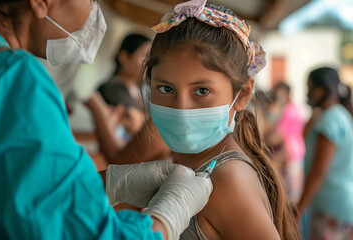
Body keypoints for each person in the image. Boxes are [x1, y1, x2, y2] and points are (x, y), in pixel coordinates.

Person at [0, 0, 213, 239]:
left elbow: (23, 188)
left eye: (202, 90)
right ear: (42, 2)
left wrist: (106, 182)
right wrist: (169, 217)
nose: (95, 11)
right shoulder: (16, 79)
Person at [107, 0, 300, 239]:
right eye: (166, 88)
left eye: (201, 91)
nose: (181, 108)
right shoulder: (189, 164)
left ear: (242, 95)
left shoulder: (228, 179)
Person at [296, 67, 353, 239]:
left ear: (322, 89)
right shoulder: (338, 114)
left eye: (310, 87)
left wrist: (298, 210)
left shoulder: (330, 120)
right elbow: (305, 134)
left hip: (331, 206)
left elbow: (319, 170)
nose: (308, 93)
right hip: (339, 203)